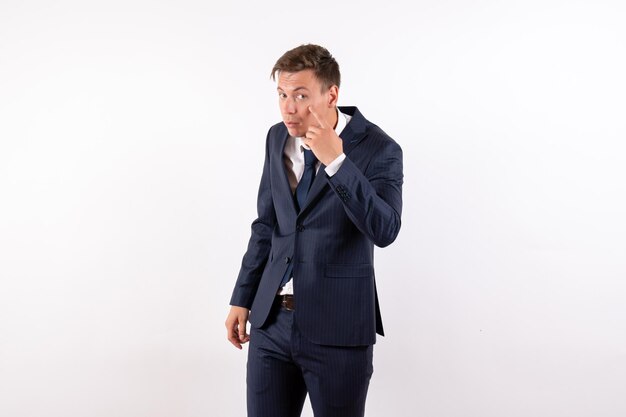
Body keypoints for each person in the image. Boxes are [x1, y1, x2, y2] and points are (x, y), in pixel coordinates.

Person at [225, 44, 403, 417]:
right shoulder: (277, 138)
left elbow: (385, 229)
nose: (289, 107)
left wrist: (336, 161)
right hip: (271, 323)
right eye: (283, 95)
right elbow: (267, 225)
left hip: (338, 328)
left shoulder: (380, 149)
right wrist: (242, 297)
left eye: (301, 96)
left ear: (331, 94)